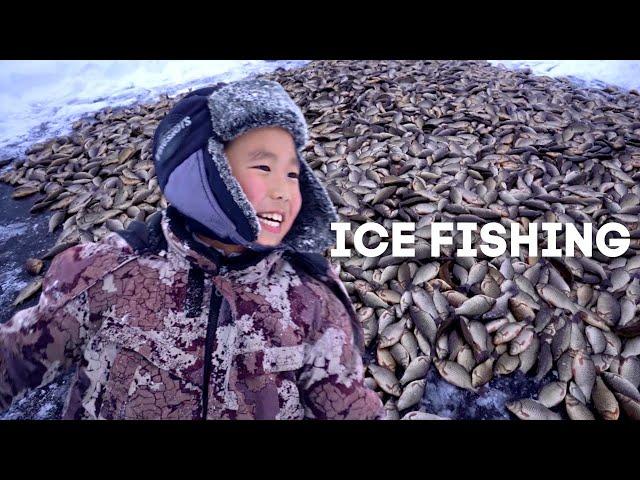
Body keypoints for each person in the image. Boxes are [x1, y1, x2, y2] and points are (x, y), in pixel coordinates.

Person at [0, 79, 384, 420]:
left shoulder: (311, 295)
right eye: (264, 168)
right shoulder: (104, 272)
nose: (284, 190)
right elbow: (15, 358)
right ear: (201, 170)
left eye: (293, 174)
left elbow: (348, 404)